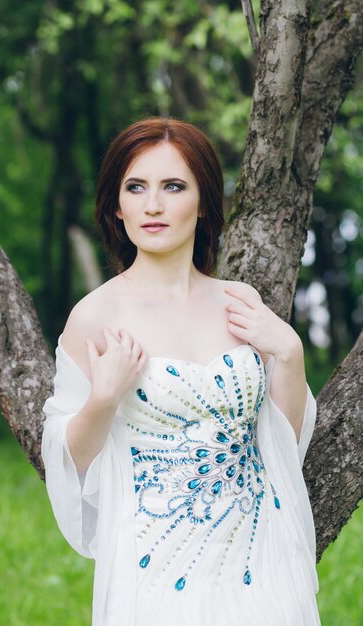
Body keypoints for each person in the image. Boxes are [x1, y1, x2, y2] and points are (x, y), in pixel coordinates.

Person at [41, 116, 321, 626]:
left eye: (173, 186)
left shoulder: (240, 302)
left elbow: (286, 442)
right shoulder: (95, 316)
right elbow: (67, 459)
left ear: (203, 202)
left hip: (261, 559)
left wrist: (291, 353)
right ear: (116, 206)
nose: (153, 205)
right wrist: (103, 399)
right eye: (136, 187)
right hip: (154, 567)